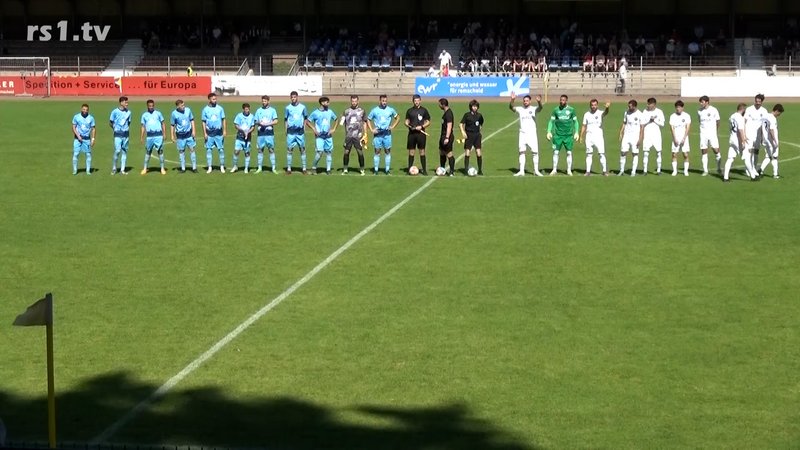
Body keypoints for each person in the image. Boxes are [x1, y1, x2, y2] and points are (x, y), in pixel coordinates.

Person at [509, 92, 544, 176]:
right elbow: (511, 107)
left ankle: (536, 171)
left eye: (527, 100)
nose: (525, 102)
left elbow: (540, 108)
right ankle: (521, 171)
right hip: (522, 134)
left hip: (532, 134)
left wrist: (539, 102)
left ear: (530, 101)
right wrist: (512, 100)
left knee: (535, 152)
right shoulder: (520, 109)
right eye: (524, 101)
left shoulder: (533, 109)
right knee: (522, 152)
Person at [546, 94, 580, 176]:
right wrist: (548, 131)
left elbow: (575, 121)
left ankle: (569, 170)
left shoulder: (571, 110)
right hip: (558, 135)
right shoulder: (555, 110)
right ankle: (554, 169)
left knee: (569, 153)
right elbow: (551, 121)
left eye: (563, 100)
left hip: (568, 135)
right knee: (556, 152)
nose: (562, 101)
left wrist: (576, 132)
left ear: (566, 101)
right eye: (561, 100)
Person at [367, 94, 400, 175]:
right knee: (377, 151)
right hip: (378, 134)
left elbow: (398, 117)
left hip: (387, 134)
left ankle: (387, 170)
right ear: (380, 101)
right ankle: (376, 170)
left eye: (385, 101)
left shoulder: (390, 110)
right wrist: (371, 130)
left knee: (387, 151)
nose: (384, 102)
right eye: (383, 101)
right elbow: (368, 119)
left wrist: (392, 126)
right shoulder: (375, 110)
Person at [305, 96, 338, 175]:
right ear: (322, 103)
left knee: (329, 152)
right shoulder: (315, 112)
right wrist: (314, 129)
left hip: (328, 135)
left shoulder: (330, 112)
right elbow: (307, 121)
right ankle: (314, 168)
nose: (328, 103)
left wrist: (333, 129)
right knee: (319, 152)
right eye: (327, 102)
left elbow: (336, 119)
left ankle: (328, 170)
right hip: (319, 135)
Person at [579, 99, 610, 176]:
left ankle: (604, 171)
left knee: (601, 154)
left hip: (598, 137)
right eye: (592, 105)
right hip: (589, 137)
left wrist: (607, 108)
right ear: (590, 106)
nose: (593, 106)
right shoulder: (586, 114)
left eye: (595, 105)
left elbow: (605, 113)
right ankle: (588, 171)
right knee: (589, 154)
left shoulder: (600, 113)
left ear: (597, 105)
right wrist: (581, 136)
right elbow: (584, 126)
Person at [340, 95, 368, 175]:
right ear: (351, 101)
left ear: (358, 101)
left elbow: (365, 122)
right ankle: (345, 169)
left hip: (358, 136)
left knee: (360, 152)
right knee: (346, 152)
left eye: (355, 101)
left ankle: (362, 169)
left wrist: (365, 133)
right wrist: (342, 120)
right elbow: (342, 122)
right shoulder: (346, 111)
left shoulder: (362, 111)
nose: (354, 103)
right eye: (352, 101)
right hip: (349, 136)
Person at [404, 94, 431, 175]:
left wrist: (421, 126)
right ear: (413, 101)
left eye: (418, 100)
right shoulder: (409, 111)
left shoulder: (424, 110)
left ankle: (424, 170)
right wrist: (408, 125)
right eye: (415, 101)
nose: (416, 102)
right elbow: (406, 121)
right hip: (412, 134)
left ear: (420, 101)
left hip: (421, 135)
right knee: (411, 152)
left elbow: (428, 122)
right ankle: (409, 169)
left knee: (422, 151)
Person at [743, 93, 769, 180]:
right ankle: (748, 169)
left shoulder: (764, 111)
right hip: (749, 134)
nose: (757, 103)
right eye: (756, 101)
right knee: (750, 152)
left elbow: (764, 125)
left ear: (762, 102)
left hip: (758, 135)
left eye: (759, 101)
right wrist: (744, 134)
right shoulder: (749, 109)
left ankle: (753, 168)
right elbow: (744, 121)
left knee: (756, 152)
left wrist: (762, 136)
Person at [139, 99, 167, 175]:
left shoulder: (158, 113)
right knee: (148, 152)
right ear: (147, 106)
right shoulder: (144, 115)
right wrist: (142, 137)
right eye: (150, 106)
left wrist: (164, 134)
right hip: (149, 137)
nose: (151, 107)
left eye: (152, 106)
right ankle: (145, 168)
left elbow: (163, 123)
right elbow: (143, 126)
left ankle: (162, 168)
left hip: (158, 135)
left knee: (160, 152)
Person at [201, 93, 227, 173]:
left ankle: (222, 166)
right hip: (209, 133)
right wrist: (205, 133)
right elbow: (203, 122)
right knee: (209, 150)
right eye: (213, 99)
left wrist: (224, 130)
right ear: (209, 99)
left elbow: (223, 119)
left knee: (221, 150)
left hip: (219, 133)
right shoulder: (205, 109)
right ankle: (209, 167)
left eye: (215, 99)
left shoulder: (220, 108)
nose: (215, 100)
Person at [170, 99, 197, 173]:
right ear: (177, 106)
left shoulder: (188, 110)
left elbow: (192, 120)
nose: (183, 106)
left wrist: (194, 131)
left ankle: (194, 168)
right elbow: (172, 125)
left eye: (184, 105)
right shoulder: (174, 114)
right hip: (180, 136)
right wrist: (172, 135)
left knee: (192, 150)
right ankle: (183, 168)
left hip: (189, 134)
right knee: (181, 151)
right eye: (182, 106)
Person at [285, 90, 309, 174]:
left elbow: (305, 118)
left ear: (297, 97)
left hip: (300, 132)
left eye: (294, 97)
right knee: (289, 150)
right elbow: (286, 119)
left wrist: (304, 128)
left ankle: (304, 168)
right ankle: (289, 169)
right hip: (291, 132)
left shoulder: (303, 107)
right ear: (290, 98)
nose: (293, 99)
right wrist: (286, 129)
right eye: (292, 97)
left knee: (302, 149)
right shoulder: (288, 108)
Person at [758, 104, 784, 178]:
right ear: (777, 111)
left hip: (766, 140)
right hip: (771, 141)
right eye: (779, 113)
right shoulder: (772, 118)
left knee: (768, 156)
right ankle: (775, 174)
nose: (779, 115)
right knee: (774, 157)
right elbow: (771, 129)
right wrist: (775, 140)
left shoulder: (765, 116)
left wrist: (761, 138)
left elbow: (761, 128)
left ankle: (761, 170)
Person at [697, 95, 721, 176]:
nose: (701, 103)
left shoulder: (714, 110)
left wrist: (715, 131)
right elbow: (700, 121)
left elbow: (718, 121)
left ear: (707, 102)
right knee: (704, 151)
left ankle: (719, 168)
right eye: (700, 102)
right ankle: (705, 170)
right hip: (703, 134)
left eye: (702, 102)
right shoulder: (699, 111)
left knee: (716, 150)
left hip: (712, 134)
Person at [618, 99, 643, 176]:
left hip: (635, 137)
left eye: (630, 106)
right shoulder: (626, 112)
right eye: (628, 106)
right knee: (623, 152)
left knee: (635, 153)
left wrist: (640, 138)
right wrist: (621, 132)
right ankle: (621, 170)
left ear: (635, 106)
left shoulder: (640, 114)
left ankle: (633, 171)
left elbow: (642, 127)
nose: (629, 108)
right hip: (626, 136)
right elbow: (624, 123)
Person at [640, 97, 666, 175]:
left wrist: (654, 120)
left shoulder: (659, 112)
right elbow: (642, 123)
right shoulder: (645, 111)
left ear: (654, 104)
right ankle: (645, 171)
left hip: (656, 135)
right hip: (647, 135)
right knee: (646, 153)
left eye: (649, 104)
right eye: (647, 104)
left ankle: (658, 170)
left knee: (658, 152)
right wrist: (649, 120)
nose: (647, 105)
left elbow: (662, 124)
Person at [722, 103, 747, 182]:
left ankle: (725, 177)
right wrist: (743, 141)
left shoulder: (732, 116)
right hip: (738, 140)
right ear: (743, 109)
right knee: (746, 158)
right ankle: (753, 176)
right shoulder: (740, 118)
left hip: (732, 139)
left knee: (730, 158)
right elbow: (740, 130)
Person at [254, 95, 278, 173]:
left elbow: (276, 121)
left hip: (269, 134)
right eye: (263, 101)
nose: (263, 102)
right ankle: (259, 168)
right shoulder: (258, 110)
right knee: (260, 150)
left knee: (271, 150)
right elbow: (255, 121)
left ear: (268, 101)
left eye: (265, 101)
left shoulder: (272, 110)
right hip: (260, 134)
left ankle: (273, 168)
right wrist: (259, 123)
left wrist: (267, 124)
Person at [460, 99, 485, 176]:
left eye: (476, 106)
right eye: (473, 106)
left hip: (477, 135)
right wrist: (463, 132)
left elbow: (481, 123)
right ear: (471, 107)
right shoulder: (467, 115)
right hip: (469, 135)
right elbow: (461, 124)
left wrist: (478, 130)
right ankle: (466, 170)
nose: (475, 108)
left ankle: (480, 170)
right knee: (467, 152)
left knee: (478, 152)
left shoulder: (479, 115)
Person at [71, 103, 96, 175]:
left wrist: (93, 139)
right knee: (76, 154)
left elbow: (93, 129)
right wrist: (78, 136)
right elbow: (73, 127)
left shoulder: (91, 118)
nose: (85, 111)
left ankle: (88, 171)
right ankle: (75, 170)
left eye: (86, 110)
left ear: (88, 110)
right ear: (81, 109)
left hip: (86, 139)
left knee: (88, 154)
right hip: (77, 139)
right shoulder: (76, 117)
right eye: (84, 109)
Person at [669, 100, 692, 176]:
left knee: (685, 154)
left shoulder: (687, 116)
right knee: (674, 154)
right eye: (677, 107)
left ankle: (685, 171)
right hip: (676, 138)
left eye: (679, 107)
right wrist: (674, 138)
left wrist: (684, 138)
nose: (678, 109)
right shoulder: (672, 116)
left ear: (682, 108)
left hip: (684, 138)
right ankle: (674, 171)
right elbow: (672, 128)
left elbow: (687, 127)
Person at [109, 96, 131, 175]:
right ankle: (114, 168)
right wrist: (114, 128)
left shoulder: (129, 112)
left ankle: (122, 170)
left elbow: (129, 122)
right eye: (125, 102)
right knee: (118, 151)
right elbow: (110, 122)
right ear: (121, 103)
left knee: (124, 151)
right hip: (117, 134)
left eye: (127, 102)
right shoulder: (114, 112)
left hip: (126, 134)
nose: (127, 104)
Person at [231, 103, 256, 173]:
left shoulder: (252, 116)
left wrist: (248, 132)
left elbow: (253, 127)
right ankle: (235, 166)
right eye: (246, 109)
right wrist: (242, 130)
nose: (247, 110)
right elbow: (236, 125)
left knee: (247, 153)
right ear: (243, 109)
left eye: (248, 109)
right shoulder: (239, 116)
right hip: (239, 137)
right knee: (236, 151)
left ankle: (246, 168)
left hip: (248, 138)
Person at [436, 98, 455, 176]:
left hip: (447, 136)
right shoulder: (446, 113)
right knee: (442, 152)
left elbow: (449, 126)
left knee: (449, 153)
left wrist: (447, 138)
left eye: (439, 104)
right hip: (443, 135)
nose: (439, 106)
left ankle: (452, 171)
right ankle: (442, 169)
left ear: (443, 105)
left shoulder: (448, 114)